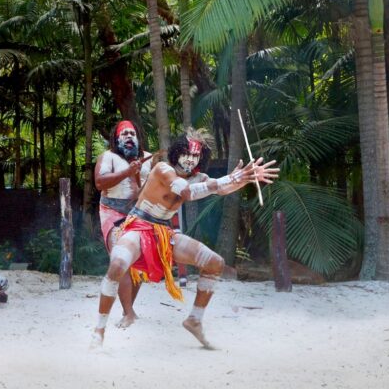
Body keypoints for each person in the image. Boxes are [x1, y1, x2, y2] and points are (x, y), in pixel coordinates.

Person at [91, 128, 279, 349]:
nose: (190, 159)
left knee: (215, 263)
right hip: (138, 227)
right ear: (177, 152)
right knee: (118, 263)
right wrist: (229, 178)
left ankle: (194, 320)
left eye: (195, 156)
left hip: (163, 233)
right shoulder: (163, 169)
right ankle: (99, 331)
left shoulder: (199, 177)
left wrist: (246, 177)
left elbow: (222, 187)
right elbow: (187, 192)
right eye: (186, 153)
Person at [94, 119, 154, 328]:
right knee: (122, 260)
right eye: (124, 134)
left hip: (140, 215)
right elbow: (100, 183)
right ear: (116, 138)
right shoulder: (108, 157)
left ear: (138, 138)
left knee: (139, 263)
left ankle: (128, 310)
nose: (129, 136)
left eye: (132, 134)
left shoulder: (148, 158)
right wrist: (128, 172)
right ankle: (129, 313)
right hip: (113, 213)